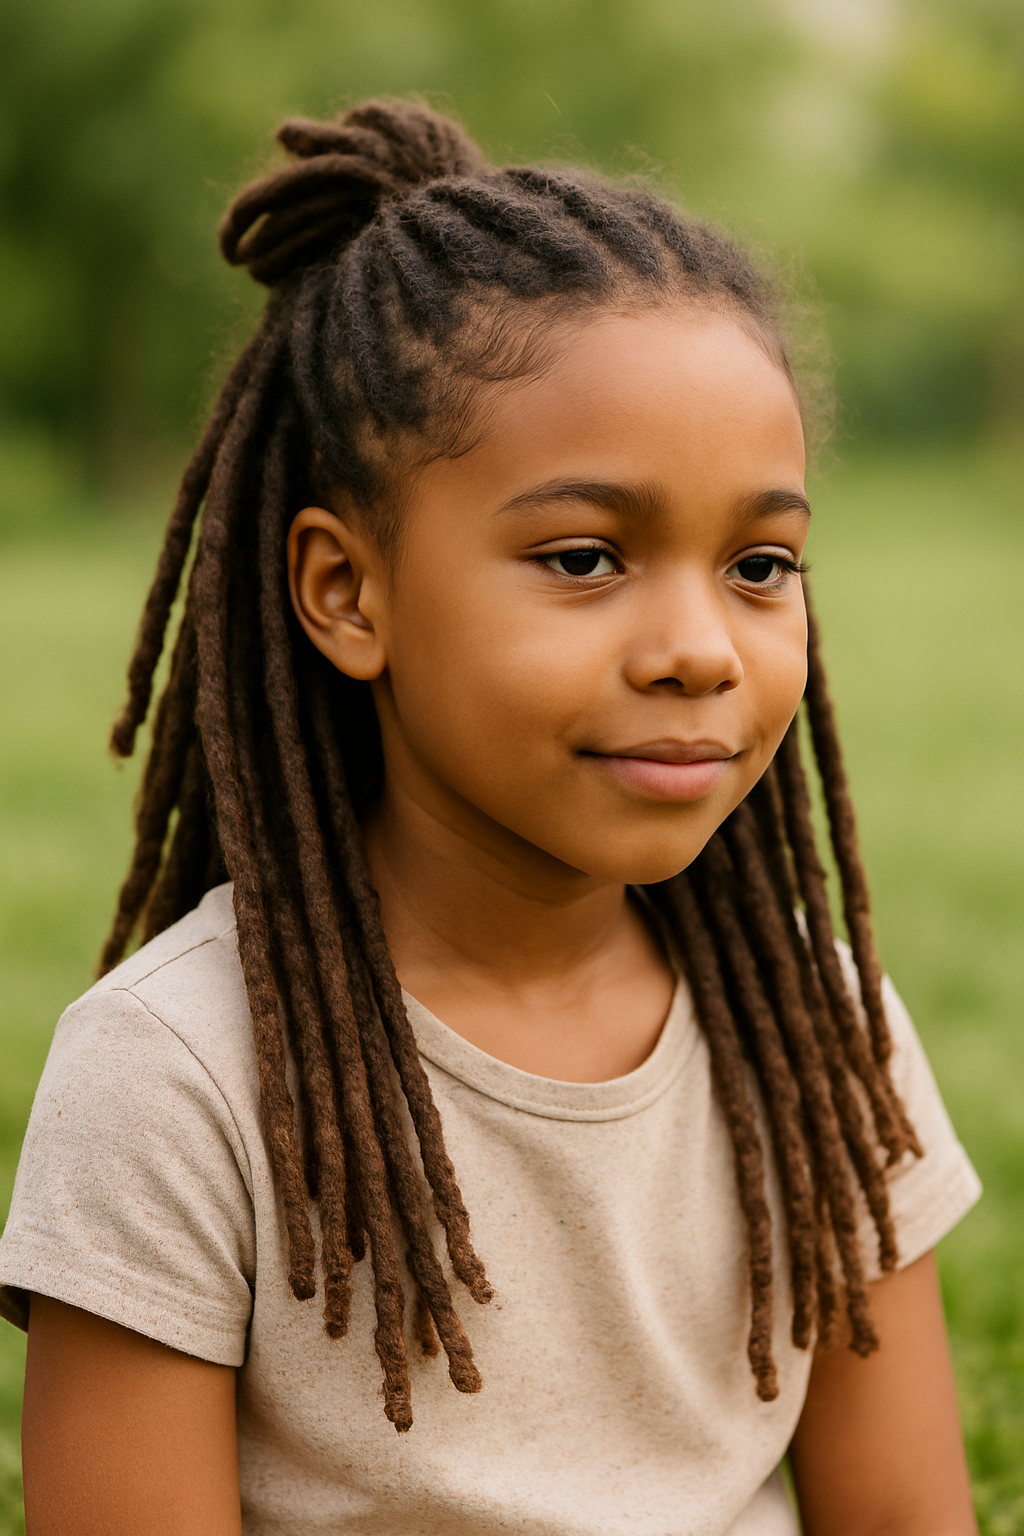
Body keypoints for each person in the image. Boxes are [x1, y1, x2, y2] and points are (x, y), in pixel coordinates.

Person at [0, 100, 981, 1535]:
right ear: (348, 593)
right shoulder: (175, 1081)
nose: (700, 646)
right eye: (587, 556)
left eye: (761, 564)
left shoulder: (821, 1042)